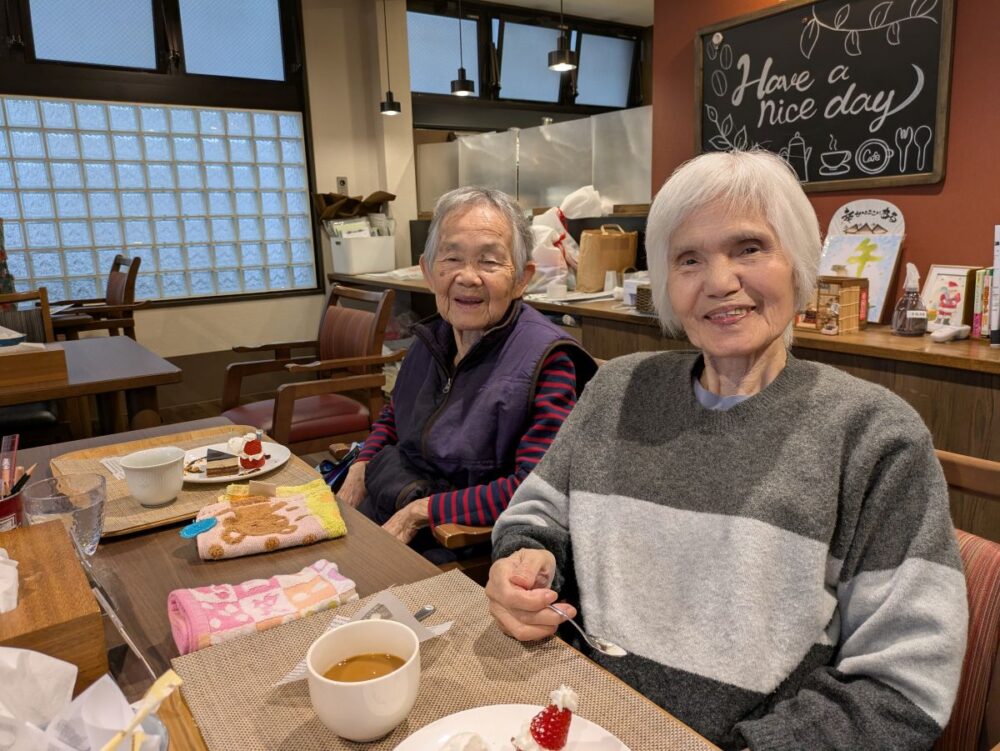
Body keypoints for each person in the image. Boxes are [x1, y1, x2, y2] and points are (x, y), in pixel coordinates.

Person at [486, 151, 967, 750]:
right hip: (581, 716)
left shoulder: (873, 435)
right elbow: (536, 511)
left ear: (798, 265)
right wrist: (524, 557)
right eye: (689, 259)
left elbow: (905, 681)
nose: (719, 282)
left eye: (749, 249)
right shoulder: (618, 389)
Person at [338, 186, 596, 559]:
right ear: (427, 271)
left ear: (522, 278)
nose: (468, 277)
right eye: (452, 258)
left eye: (489, 262)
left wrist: (421, 513)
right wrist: (361, 465)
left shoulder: (549, 361)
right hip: (388, 501)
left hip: (457, 544)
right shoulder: (434, 336)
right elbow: (396, 413)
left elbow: (534, 485)